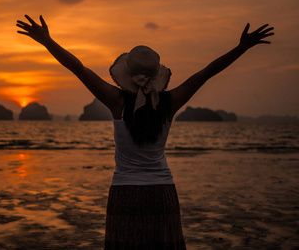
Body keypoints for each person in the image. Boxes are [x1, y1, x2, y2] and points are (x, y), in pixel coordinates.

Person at [16, 15, 274, 249]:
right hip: (163, 194)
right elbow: (206, 73)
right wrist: (242, 48)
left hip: (124, 195)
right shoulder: (170, 102)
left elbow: (78, 68)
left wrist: (47, 41)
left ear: (126, 75)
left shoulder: (115, 100)